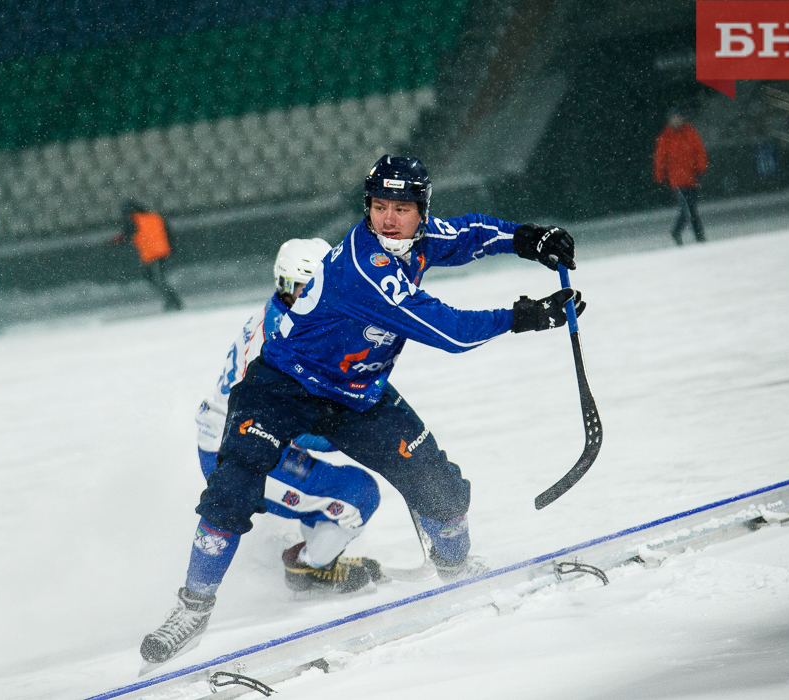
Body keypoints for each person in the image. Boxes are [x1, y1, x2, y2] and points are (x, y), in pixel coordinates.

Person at [140, 155, 585, 666]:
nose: (388, 219)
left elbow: (465, 234)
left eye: (401, 208)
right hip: (283, 386)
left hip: (358, 394)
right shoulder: (364, 267)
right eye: (378, 207)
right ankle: (193, 609)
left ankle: (456, 575)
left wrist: (529, 238)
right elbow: (450, 332)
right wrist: (526, 316)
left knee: (443, 492)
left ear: (420, 211)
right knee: (232, 486)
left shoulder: (418, 237)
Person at [193, 237, 383, 596]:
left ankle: (317, 558)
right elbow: (294, 420)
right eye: (299, 288)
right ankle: (306, 570)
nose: (309, 297)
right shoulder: (284, 333)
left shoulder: (283, 316)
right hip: (240, 447)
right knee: (359, 494)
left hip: (233, 437)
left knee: (333, 492)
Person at [114, 199, 184, 310]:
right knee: (155, 278)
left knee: (157, 280)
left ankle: (173, 302)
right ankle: (172, 301)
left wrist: (116, 241)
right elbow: (169, 233)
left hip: (152, 254)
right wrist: (171, 248)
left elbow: (126, 235)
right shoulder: (154, 216)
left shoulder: (133, 220)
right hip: (161, 251)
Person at [653, 107, 708, 246]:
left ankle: (678, 232)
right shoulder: (665, 137)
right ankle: (698, 236)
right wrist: (660, 176)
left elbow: (699, 151)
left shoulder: (690, 132)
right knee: (689, 208)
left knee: (690, 208)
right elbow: (660, 158)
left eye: (678, 117)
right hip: (676, 180)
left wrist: (700, 169)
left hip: (692, 177)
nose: (676, 120)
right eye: (673, 118)